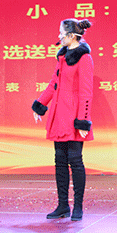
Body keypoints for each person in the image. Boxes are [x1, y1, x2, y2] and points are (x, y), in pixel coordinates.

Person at [32, 18, 94, 221]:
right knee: (59, 161)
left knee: (75, 161)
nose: (58, 36)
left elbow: (86, 92)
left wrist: (83, 120)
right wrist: (40, 104)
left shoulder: (84, 58)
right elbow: (53, 84)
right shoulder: (62, 56)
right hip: (59, 115)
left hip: (74, 115)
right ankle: (62, 205)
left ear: (72, 36)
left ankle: (78, 206)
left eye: (61, 33)